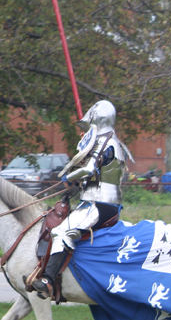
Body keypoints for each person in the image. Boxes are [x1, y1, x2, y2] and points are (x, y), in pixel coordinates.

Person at [31, 100, 133, 299]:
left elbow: (88, 169)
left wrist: (67, 177)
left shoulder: (105, 143)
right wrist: (78, 185)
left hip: (99, 203)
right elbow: (97, 173)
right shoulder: (113, 142)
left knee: (61, 232)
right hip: (103, 200)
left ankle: (48, 280)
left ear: (97, 119)